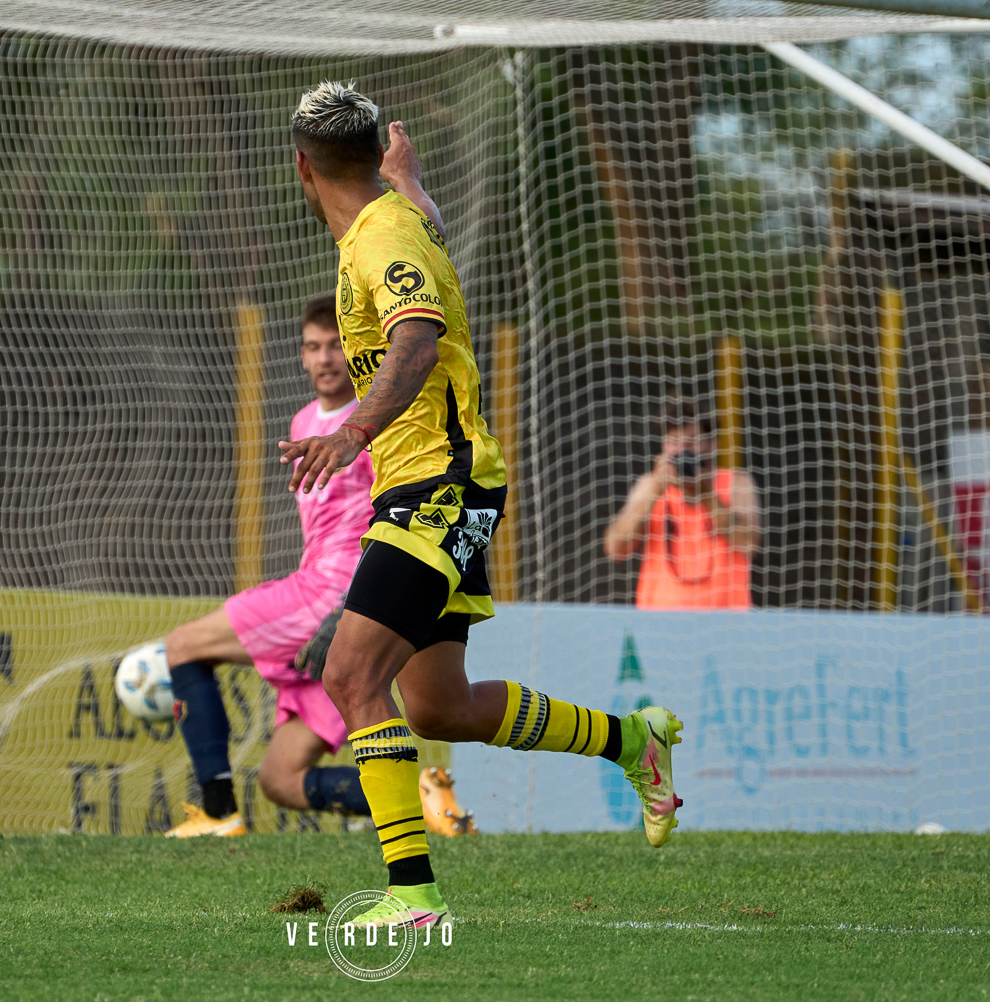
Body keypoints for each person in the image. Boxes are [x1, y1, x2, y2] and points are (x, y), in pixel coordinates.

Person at [278, 83, 682, 930]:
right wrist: (413, 184)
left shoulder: (379, 234)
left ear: (304, 169)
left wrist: (350, 434)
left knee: (350, 674)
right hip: (428, 481)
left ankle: (413, 895)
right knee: (437, 707)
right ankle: (631, 741)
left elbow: (417, 340)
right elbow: (420, 236)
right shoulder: (394, 218)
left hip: (440, 483)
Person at [160, 295, 475, 838]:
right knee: (282, 778)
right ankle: (423, 798)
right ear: (301, 356)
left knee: (183, 648)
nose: (325, 357)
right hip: (323, 597)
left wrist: (347, 606)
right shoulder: (305, 420)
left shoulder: (375, 422)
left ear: (353, 349)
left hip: (335, 593)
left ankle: (216, 811)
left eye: (335, 345)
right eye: (312, 347)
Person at [603, 401, 761, 609]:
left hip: (726, 623)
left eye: (691, 442)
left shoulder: (736, 483)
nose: (682, 451)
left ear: (712, 444)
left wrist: (705, 494)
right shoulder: (650, 485)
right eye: (674, 441)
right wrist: (654, 491)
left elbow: (749, 544)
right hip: (659, 621)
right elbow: (615, 548)